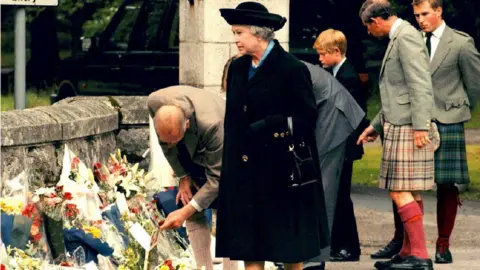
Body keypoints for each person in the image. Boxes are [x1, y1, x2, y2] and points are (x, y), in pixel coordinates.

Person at [217, 2, 330, 270]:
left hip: (282, 170)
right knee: (250, 249)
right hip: (245, 172)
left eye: (239, 33)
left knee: (291, 251)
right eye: (234, 33)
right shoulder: (237, 68)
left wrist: (266, 126)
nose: (235, 40)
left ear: (259, 34)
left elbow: (306, 118)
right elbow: (232, 119)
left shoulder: (291, 68)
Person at [373, 0, 480, 265]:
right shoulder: (409, 39)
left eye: (425, 14)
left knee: (445, 185)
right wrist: (376, 124)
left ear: (439, 11)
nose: (420, 19)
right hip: (413, 121)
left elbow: (474, 86)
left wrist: (457, 109)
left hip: (447, 120)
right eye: (416, 15)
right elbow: (401, 88)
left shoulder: (461, 43)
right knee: (405, 184)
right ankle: (404, 243)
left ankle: (442, 244)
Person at [357, 1, 439, 269]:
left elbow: (420, 84)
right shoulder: (401, 36)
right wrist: (376, 125)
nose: (369, 33)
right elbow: (398, 92)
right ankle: (408, 251)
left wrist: (421, 126)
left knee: (400, 190)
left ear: (377, 21)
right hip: (400, 123)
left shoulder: (405, 37)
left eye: (368, 27)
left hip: (408, 127)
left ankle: (420, 256)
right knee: (409, 191)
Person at [147, 86, 237, 270]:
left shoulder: (212, 123)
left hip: (228, 151)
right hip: (191, 145)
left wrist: (185, 212)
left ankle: (231, 268)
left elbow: (217, 179)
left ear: (186, 125)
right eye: (167, 140)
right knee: (187, 196)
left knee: (226, 209)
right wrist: (183, 176)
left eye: (174, 139)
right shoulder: (154, 103)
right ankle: (203, 267)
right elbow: (167, 146)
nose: (169, 144)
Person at [301, 61, 365, 269]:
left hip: (332, 115)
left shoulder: (276, 72)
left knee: (323, 188)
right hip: (322, 111)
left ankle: (316, 258)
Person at [313, 29, 368, 262]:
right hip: (340, 143)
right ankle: (340, 244)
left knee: (341, 197)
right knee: (338, 195)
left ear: (336, 52)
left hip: (344, 144)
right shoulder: (339, 73)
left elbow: (352, 114)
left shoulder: (347, 77)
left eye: (323, 54)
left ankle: (349, 246)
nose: (320, 59)